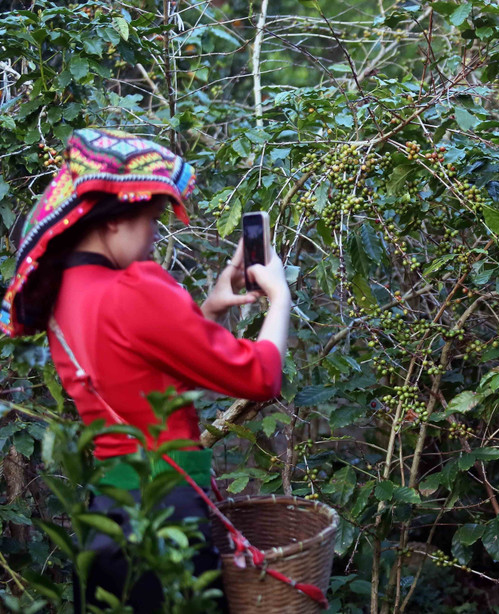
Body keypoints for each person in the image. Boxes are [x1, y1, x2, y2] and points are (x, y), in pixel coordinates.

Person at [0, 128, 292, 612]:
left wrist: (211, 309)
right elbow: (259, 377)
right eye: (152, 220)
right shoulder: (134, 288)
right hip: (166, 516)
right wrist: (279, 298)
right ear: (114, 221)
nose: (155, 235)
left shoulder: (64, 296)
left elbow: (145, 375)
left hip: (108, 518)